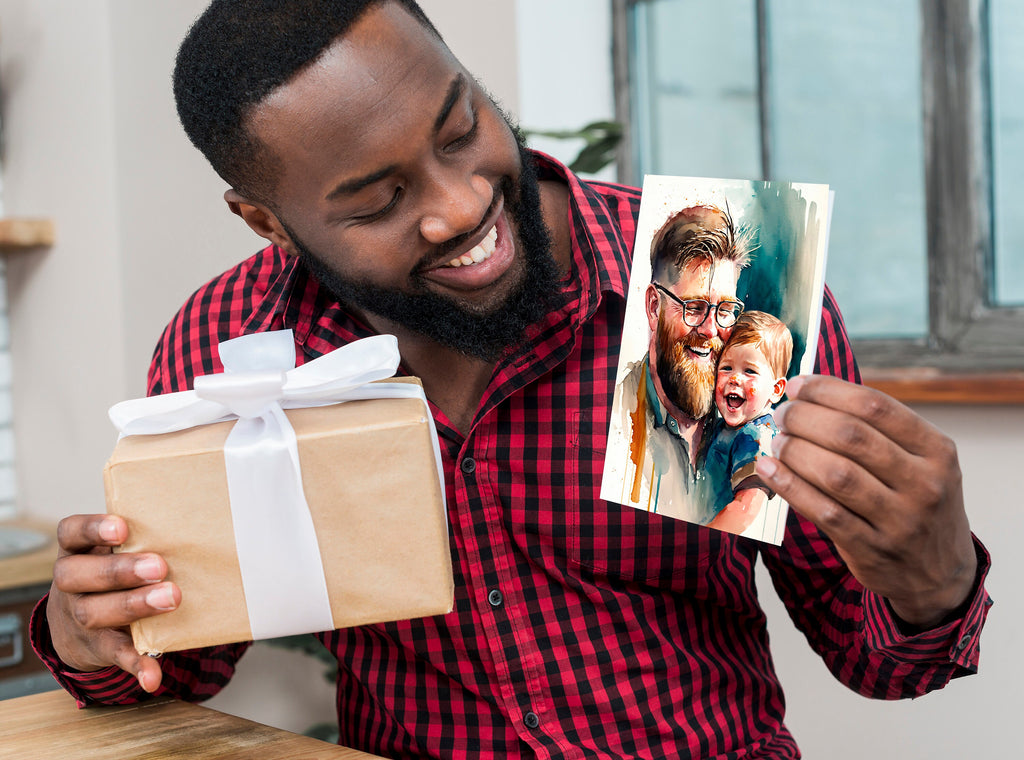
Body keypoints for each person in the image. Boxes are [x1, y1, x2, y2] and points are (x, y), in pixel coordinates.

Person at [33, 1, 991, 758]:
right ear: (267, 222)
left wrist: (934, 574)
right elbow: (180, 667)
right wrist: (92, 635)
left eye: (460, 131)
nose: (458, 208)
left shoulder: (716, 291)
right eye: (377, 200)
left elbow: (879, 659)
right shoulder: (232, 344)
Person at [611, 204, 750, 523]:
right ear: (653, 306)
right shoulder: (615, 419)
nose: (711, 330)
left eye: (725, 309)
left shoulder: (746, 425)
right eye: (695, 307)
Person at [703, 311, 792, 537]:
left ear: (776, 390)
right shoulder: (728, 426)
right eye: (726, 368)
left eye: (749, 371)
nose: (734, 378)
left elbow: (745, 509)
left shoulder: (757, 436)